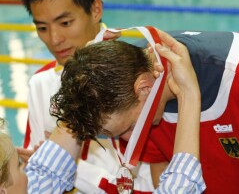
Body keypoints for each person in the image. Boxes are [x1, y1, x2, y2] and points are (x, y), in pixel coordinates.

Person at [51, 29, 239, 193]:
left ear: (144, 88)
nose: (128, 140)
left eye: (128, 128)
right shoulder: (118, 91)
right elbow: (165, 174)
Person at [0, 30, 206, 193]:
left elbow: (46, 172)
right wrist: (189, 96)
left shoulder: (28, 188)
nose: (27, 169)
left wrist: (87, 83)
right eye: (19, 167)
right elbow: (179, 188)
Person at [18, 0, 154, 193]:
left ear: (96, 10)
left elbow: (159, 184)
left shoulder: (142, 80)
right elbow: (34, 171)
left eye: (65, 23)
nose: (55, 39)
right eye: (42, 28)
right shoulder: (40, 84)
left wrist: (74, 170)